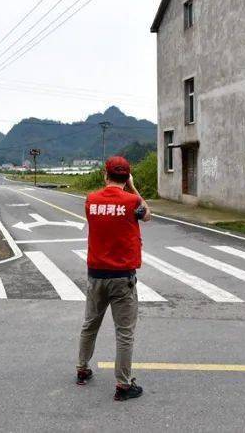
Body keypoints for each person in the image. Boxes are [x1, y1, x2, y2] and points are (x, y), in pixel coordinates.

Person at [76, 155, 151, 401]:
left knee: (90, 324)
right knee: (124, 332)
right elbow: (147, 214)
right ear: (126, 176)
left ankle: (82, 369)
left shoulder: (91, 200)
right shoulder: (133, 202)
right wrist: (132, 186)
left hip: (96, 275)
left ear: (104, 174)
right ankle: (123, 385)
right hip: (122, 278)